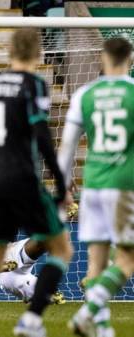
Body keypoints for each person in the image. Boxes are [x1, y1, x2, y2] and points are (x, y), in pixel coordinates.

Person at [0, 28, 72, 337]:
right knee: (62, 250)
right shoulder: (34, 84)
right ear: (37, 53)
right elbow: (42, 136)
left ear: (10, 51)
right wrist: (61, 184)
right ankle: (31, 320)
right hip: (23, 178)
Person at [58, 37, 134, 337]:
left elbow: (66, 149)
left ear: (103, 58)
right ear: (129, 58)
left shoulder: (84, 95)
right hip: (124, 185)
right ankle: (88, 311)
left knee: (96, 264)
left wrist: (63, 188)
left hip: (92, 186)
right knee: (128, 259)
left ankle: (102, 329)